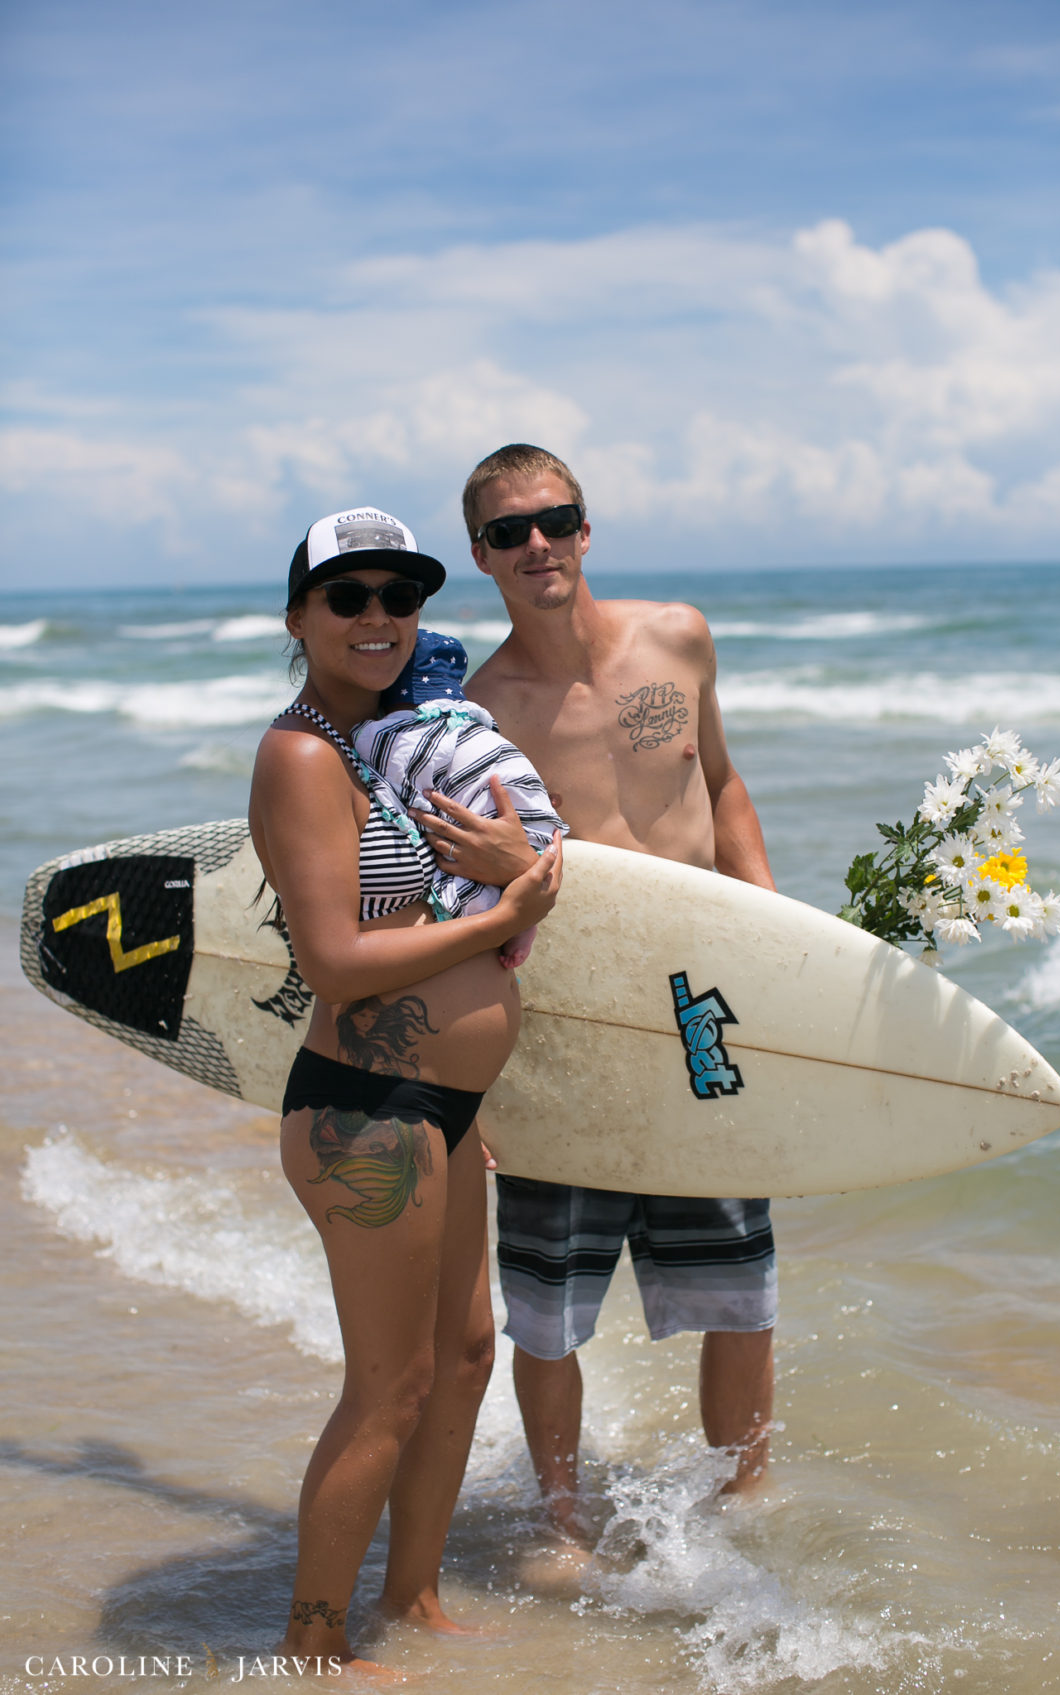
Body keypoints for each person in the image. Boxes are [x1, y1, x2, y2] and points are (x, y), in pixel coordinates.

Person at [409, 446, 777, 1552]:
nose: (538, 546)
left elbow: (717, 782)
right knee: (550, 1309)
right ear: (478, 556)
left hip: (702, 1008)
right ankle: (562, 1526)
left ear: (584, 527)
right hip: (560, 1030)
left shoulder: (678, 637)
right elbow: (458, 896)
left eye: (555, 521)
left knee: (739, 1285)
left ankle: (744, 1504)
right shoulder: (475, 713)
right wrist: (465, 1085)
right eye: (510, 532)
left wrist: (779, 939)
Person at [248, 503, 562, 1675]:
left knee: (465, 1356)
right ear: (300, 618)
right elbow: (331, 958)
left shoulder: (400, 739)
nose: (379, 618)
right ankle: (312, 1643)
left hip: (444, 1110)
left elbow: (428, 904)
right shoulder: (301, 755)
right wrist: (520, 910)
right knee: (388, 1389)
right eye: (349, 597)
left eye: (401, 596)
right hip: (361, 1112)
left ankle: (413, 1600)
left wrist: (505, 872)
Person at [351, 627, 567, 970]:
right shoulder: (485, 734)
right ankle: (524, 922)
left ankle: (509, 918)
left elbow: (374, 751)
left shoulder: (401, 733)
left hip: (483, 847)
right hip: (535, 827)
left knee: (469, 877)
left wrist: (355, 735)